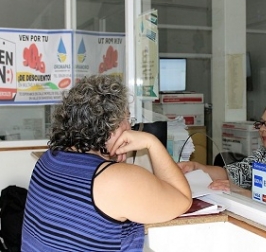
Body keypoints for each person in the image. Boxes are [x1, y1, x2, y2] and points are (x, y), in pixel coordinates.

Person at [21, 75, 192, 252]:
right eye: (127, 119)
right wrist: (152, 143)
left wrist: (108, 158)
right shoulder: (114, 180)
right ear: (112, 126)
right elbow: (182, 199)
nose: (130, 127)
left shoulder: (49, 158)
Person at [178, 100, 266, 220]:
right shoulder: (264, 155)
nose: (262, 129)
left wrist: (247, 194)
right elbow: (231, 174)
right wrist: (196, 167)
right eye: (261, 123)